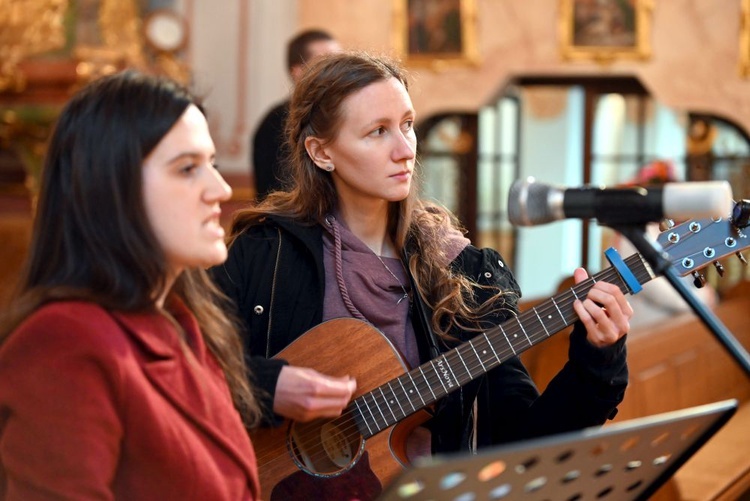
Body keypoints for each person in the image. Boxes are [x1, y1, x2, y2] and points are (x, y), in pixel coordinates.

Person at [213, 51, 632, 491]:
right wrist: (271, 386)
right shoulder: (264, 255)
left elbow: (522, 443)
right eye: (378, 132)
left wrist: (598, 358)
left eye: (407, 124)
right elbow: (189, 371)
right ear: (321, 152)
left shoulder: (468, 273)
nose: (405, 149)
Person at [0, 70, 262, 500]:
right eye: (187, 168)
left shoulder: (185, 327)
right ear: (111, 187)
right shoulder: (64, 342)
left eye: (212, 164)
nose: (221, 188)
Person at [613, 160, 718, 330]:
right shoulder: (633, 235)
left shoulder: (659, 230)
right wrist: (703, 297)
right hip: (645, 337)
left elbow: (680, 275)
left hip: (667, 331)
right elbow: (659, 291)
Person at [251, 29, 341, 200]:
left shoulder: (342, 115)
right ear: (298, 71)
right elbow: (274, 194)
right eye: (327, 63)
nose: (338, 71)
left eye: (340, 62)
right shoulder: (274, 123)